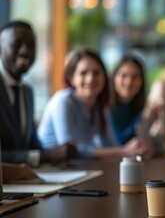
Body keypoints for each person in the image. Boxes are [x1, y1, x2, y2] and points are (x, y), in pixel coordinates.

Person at [38, 48, 149, 159]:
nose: (90, 79)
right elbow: (70, 150)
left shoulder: (99, 106)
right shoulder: (63, 101)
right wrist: (123, 151)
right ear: (72, 78)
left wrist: (136, 148)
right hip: (47, 168)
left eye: (96, 73)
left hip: (74, 169)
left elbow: (109, 144)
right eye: (83, 73)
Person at [0, 20, 75, 166]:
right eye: (17, 44)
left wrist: (59, 152)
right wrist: (42, 157)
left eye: (31, 46)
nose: (25, 51)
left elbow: (32, 145)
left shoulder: (27, 92)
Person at [109, 54, 146, 146]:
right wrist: (145, 116)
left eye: (135, 77)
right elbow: (120, 141)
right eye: (123, 75)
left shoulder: (141, 105)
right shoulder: (106, 106)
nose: (129, 81)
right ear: (114, 78)